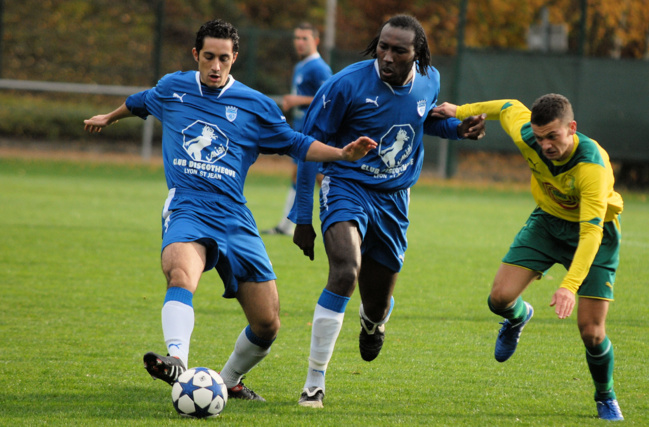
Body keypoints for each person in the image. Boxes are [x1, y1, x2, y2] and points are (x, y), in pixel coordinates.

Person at [83, 19, 376, 402]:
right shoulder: (174, 88)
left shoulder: (256, 106)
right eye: (208, 57)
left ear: (234, 58)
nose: (216, 66)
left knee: (267, 323)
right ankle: (176, 360)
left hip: (235, 217)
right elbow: (140, 101)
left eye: (224, 58)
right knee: (180, 272)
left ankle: (228, 380)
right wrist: (108, 116)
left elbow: (296, 143)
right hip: (188, 204)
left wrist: (340, 154)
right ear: (196, 55)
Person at [289, 14, 486, 408]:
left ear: (418, 55)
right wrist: (302, 217)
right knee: (345, 271)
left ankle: (373, 320)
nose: (387, 56)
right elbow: (307, 146)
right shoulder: (345, 85)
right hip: (346, 185)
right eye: (383, 46)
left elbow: (420, 122)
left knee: (377, 301)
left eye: (399, 50)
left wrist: (458, 130)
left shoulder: (430, 80)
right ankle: (314, 380)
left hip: (394, 197)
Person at [432, 94, 624, 421]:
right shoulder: (527, 135)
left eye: (553, 136)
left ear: (572, 128)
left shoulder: (591, 167)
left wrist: (568, 286)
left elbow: (589, 233)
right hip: (547, 224)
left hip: (595, 234)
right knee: (499, 298)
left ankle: (605, 395)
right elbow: (507, 107)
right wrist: (460, 111)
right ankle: (518, 316)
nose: (545, 145)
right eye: (539, 137)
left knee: (592, 332)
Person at [262, 22, 332, 236]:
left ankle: (344, 217)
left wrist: (296, 100)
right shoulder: (301, 66)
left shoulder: (319, 68)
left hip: (315, 132)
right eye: (297, 38)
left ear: (316, 41)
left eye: (305, 38)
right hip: (301, 130)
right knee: (300, 175)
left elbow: (329, 99)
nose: (300, 43)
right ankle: (286, 226)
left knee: (318, 177)